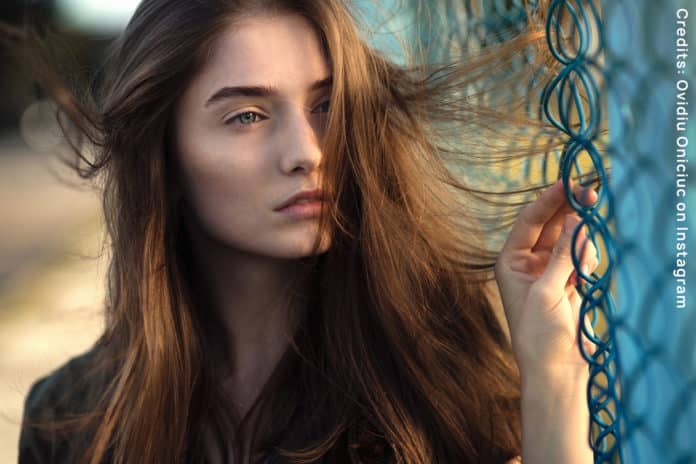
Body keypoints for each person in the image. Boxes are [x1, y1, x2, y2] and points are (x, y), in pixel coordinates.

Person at [12, 0, 600, 462]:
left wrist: (553, 377)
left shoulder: (431, 365)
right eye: (247, 116)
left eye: (325, 105)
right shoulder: (72, 418)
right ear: (163, 156)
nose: (307, 152)